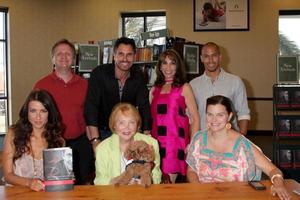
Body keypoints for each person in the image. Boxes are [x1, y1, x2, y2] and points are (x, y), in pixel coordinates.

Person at [186, 95, 291, 200]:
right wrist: (198, 189)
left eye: (220, 115)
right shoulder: (198, 139)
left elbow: (273, 170)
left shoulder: (242, 145)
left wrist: (279, 184)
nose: (214, 120)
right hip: (203, 195)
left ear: (230, 116)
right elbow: (191, 170)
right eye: (210, 114)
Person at [34, 39, 93, 185]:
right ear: (52, 58)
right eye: (59, 54)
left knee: (80, 184)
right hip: (52, 143)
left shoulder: (85, 84)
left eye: (68, 54)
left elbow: (90, 115)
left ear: (73, 58)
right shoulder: (41, 85)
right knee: (57, 186)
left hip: (80, 144)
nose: (63, 57)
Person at [84, 37, 151, 148]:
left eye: (129, 54)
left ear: (134, 56)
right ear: (114, 55)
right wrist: (95, 140)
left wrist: (146, 135)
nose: (125, 59)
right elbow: (91, 107)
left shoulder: (138, 75)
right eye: (121, 54)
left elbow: (144, 106)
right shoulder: (99, 73)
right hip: (102, 132)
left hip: (127, 132)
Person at [150, 49, 200, 183]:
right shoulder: (154, 90)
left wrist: (192, 144)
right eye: (164, 63)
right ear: (159, 66)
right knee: (155, 181)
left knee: (167, 185)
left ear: (178, 66)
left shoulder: (184, 87)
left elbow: (195, 118)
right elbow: (151, 118)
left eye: (172, 63)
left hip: (175, 143)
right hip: (156, 143)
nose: (168, 67)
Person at [2, 89, 64, 191]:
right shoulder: (13, 134)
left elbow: (57, 179)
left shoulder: (58, 139)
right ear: (27, 112)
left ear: (50, 113)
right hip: (16, 194)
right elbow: (8, 175)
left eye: (43, 111)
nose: (38, 117)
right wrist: (29, 182)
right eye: (33, 111)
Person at [190, 42, 250, 135]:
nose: (210, 60)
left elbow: (243, 113)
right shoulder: (193, 85)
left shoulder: (235, 81)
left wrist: (241, 141)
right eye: (206, 56)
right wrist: (193, 142)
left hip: (229, 141)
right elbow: (191, 118)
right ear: (201, 58)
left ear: (220, 57)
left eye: (214, 55)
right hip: (204, 141)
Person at [94, 103, 161, 185]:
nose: (127, 127)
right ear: (114, 125)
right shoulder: (103, 148)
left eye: (132, 122)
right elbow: (99, 180)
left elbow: (157, 175)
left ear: (137, 125)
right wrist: (120, 183)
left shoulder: (151, 143)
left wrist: (145, 182)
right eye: (121, 123)